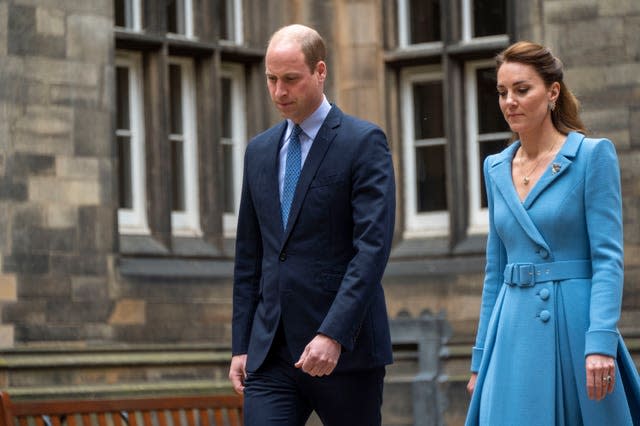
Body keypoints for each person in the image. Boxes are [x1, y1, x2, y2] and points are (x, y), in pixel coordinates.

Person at [465, 40, 640, 425]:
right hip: (511, 332)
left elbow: (609, 260)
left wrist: (600, 343)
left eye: (522, 90)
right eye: (502, 92)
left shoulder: (592, 156)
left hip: (574, 329)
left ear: (553, 93)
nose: (510, 101)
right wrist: (480, 359)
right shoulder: (495, 167)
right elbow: (495, 270)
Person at [228, 24, 395, 426]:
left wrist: (333, 333)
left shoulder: (363, 142)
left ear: (320, 72)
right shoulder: (259, 151)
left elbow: (371, 249)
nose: (279, 92)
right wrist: (241, 344)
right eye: (271, 79)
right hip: (271, 354)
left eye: (290, 79)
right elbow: (250, 256)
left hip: (346, 352)